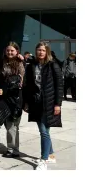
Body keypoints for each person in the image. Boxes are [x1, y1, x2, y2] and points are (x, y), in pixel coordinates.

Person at [23, 41, 63, 170]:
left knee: (43, 131)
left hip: (49, 103)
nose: (41, 52)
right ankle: (50, 155)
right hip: (36, 102)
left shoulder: (53, 65)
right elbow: (28, 86)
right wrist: (27, 102)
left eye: (43, 50)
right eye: (39, 50)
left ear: (47, 52)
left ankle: (43, 160)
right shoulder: (31, 66)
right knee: (46, 131)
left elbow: (59, 86)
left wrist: (58, 104)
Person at [0, 42, 25, 158]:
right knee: (8, 125)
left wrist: (23, 60)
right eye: (8, 50)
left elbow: (21, 81)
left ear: (17, 52)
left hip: (16, 98)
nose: (9, 52)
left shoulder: (20, 63)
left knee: (13, 125)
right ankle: (12, 148)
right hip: (4, 98)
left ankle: (13, 149)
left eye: (12, 51)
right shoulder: (1, 62)